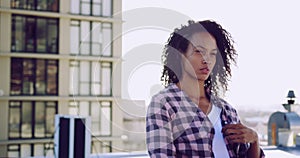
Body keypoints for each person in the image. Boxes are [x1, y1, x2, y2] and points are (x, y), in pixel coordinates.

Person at [146, 20, 265, 157]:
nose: (206, 60)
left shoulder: (227, 110)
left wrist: (254, 140)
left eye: (213, 54)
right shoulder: (164, 104)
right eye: (199, 51)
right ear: (180, 55)